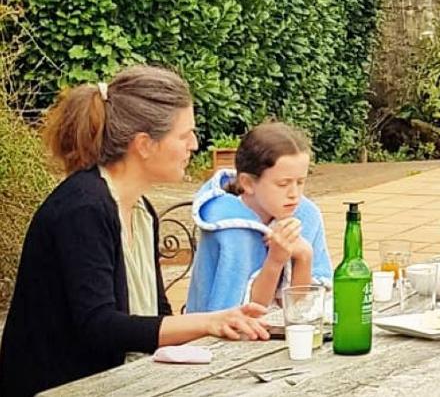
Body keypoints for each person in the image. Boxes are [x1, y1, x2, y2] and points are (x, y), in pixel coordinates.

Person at [0, 65, 268, 397]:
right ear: (144, 144)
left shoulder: (141, 211)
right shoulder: (83, 209)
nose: (195, 145)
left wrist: (214, 326)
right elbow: (98, 326)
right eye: (185, 135)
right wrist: (208, 322)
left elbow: (156, 314)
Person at [186, 122, 333, 312]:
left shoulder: (305, 215)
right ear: (248, 183)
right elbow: (249, 311)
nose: (294, 193)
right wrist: (275, 260)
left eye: (300, 182)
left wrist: (304, 256)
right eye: (283, 184)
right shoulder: (228, 226)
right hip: (223, 337)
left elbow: (301, 308)